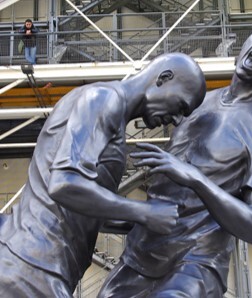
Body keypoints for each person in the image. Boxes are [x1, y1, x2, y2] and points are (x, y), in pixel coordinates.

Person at [98, 13, 252, 298]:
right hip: (140, 257)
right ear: (249, 37)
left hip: (195, 265)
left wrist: (194, 178)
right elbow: (171, 205)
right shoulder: (198, 101)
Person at [0, 52, 206, 297]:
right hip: (32, 262)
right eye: (181, 106)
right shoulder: (103, 99)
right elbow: (63, 184)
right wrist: (144, 212)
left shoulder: (111, 112)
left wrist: (145, 222)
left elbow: (83, 210)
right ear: (164, 78)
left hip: (44, 266)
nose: (177, 119)